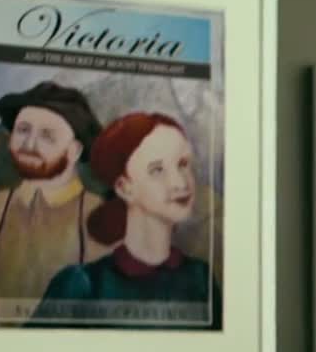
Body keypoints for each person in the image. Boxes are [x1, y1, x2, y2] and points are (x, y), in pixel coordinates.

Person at [35, 112, 215, 325]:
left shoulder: (201, 278)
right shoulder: (81, 285)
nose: (181, 183)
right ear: (124, 187)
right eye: (157, 170)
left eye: (183, 164)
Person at [0, 81, 109, 311]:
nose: (29, 144)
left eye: (47, 135)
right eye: (23, 130)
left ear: (75, 150)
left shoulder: (103, 219)